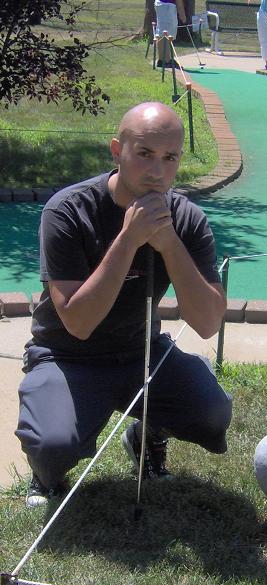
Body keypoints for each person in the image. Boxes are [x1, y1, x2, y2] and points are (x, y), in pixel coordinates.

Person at [16, 102, 232, 508]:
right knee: (52, 445)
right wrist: (129, 240)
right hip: (67, 355)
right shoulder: (66, 211)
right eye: (144, 154)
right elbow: (78, 323)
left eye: (170, 158)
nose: (157, 172)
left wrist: (169, 245)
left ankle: (146, 435)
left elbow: (206, 323)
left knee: (212, 413)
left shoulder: (187, 220)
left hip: (142, 352)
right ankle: (45, 472)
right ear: (117, 151)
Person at [155, 0, 187, 68]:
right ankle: (166, 61)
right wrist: (182, 14)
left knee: (161, 32)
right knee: (167, 33)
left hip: (160, 4)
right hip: (168, 6)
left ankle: (161, 60)